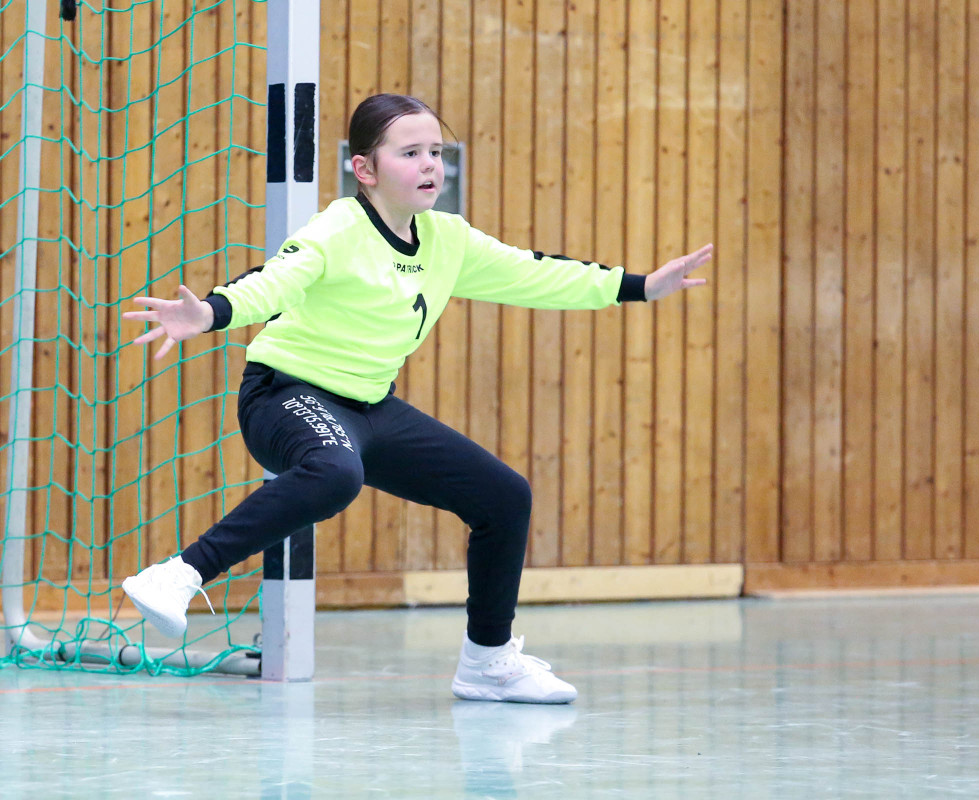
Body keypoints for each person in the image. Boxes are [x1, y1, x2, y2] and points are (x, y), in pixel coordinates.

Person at [121, 93, 711, 704]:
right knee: (334, 473)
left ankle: (487, 662)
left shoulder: (447, 239)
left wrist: (641, 286)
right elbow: (273, 282)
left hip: (369, 407)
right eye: (410, 153)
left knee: (503, 497)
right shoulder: (337, 230)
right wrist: (210, 312)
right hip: (285, 394)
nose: (430, 164)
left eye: (436, 151)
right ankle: (179, 574)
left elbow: (537, 272)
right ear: (365, 169)